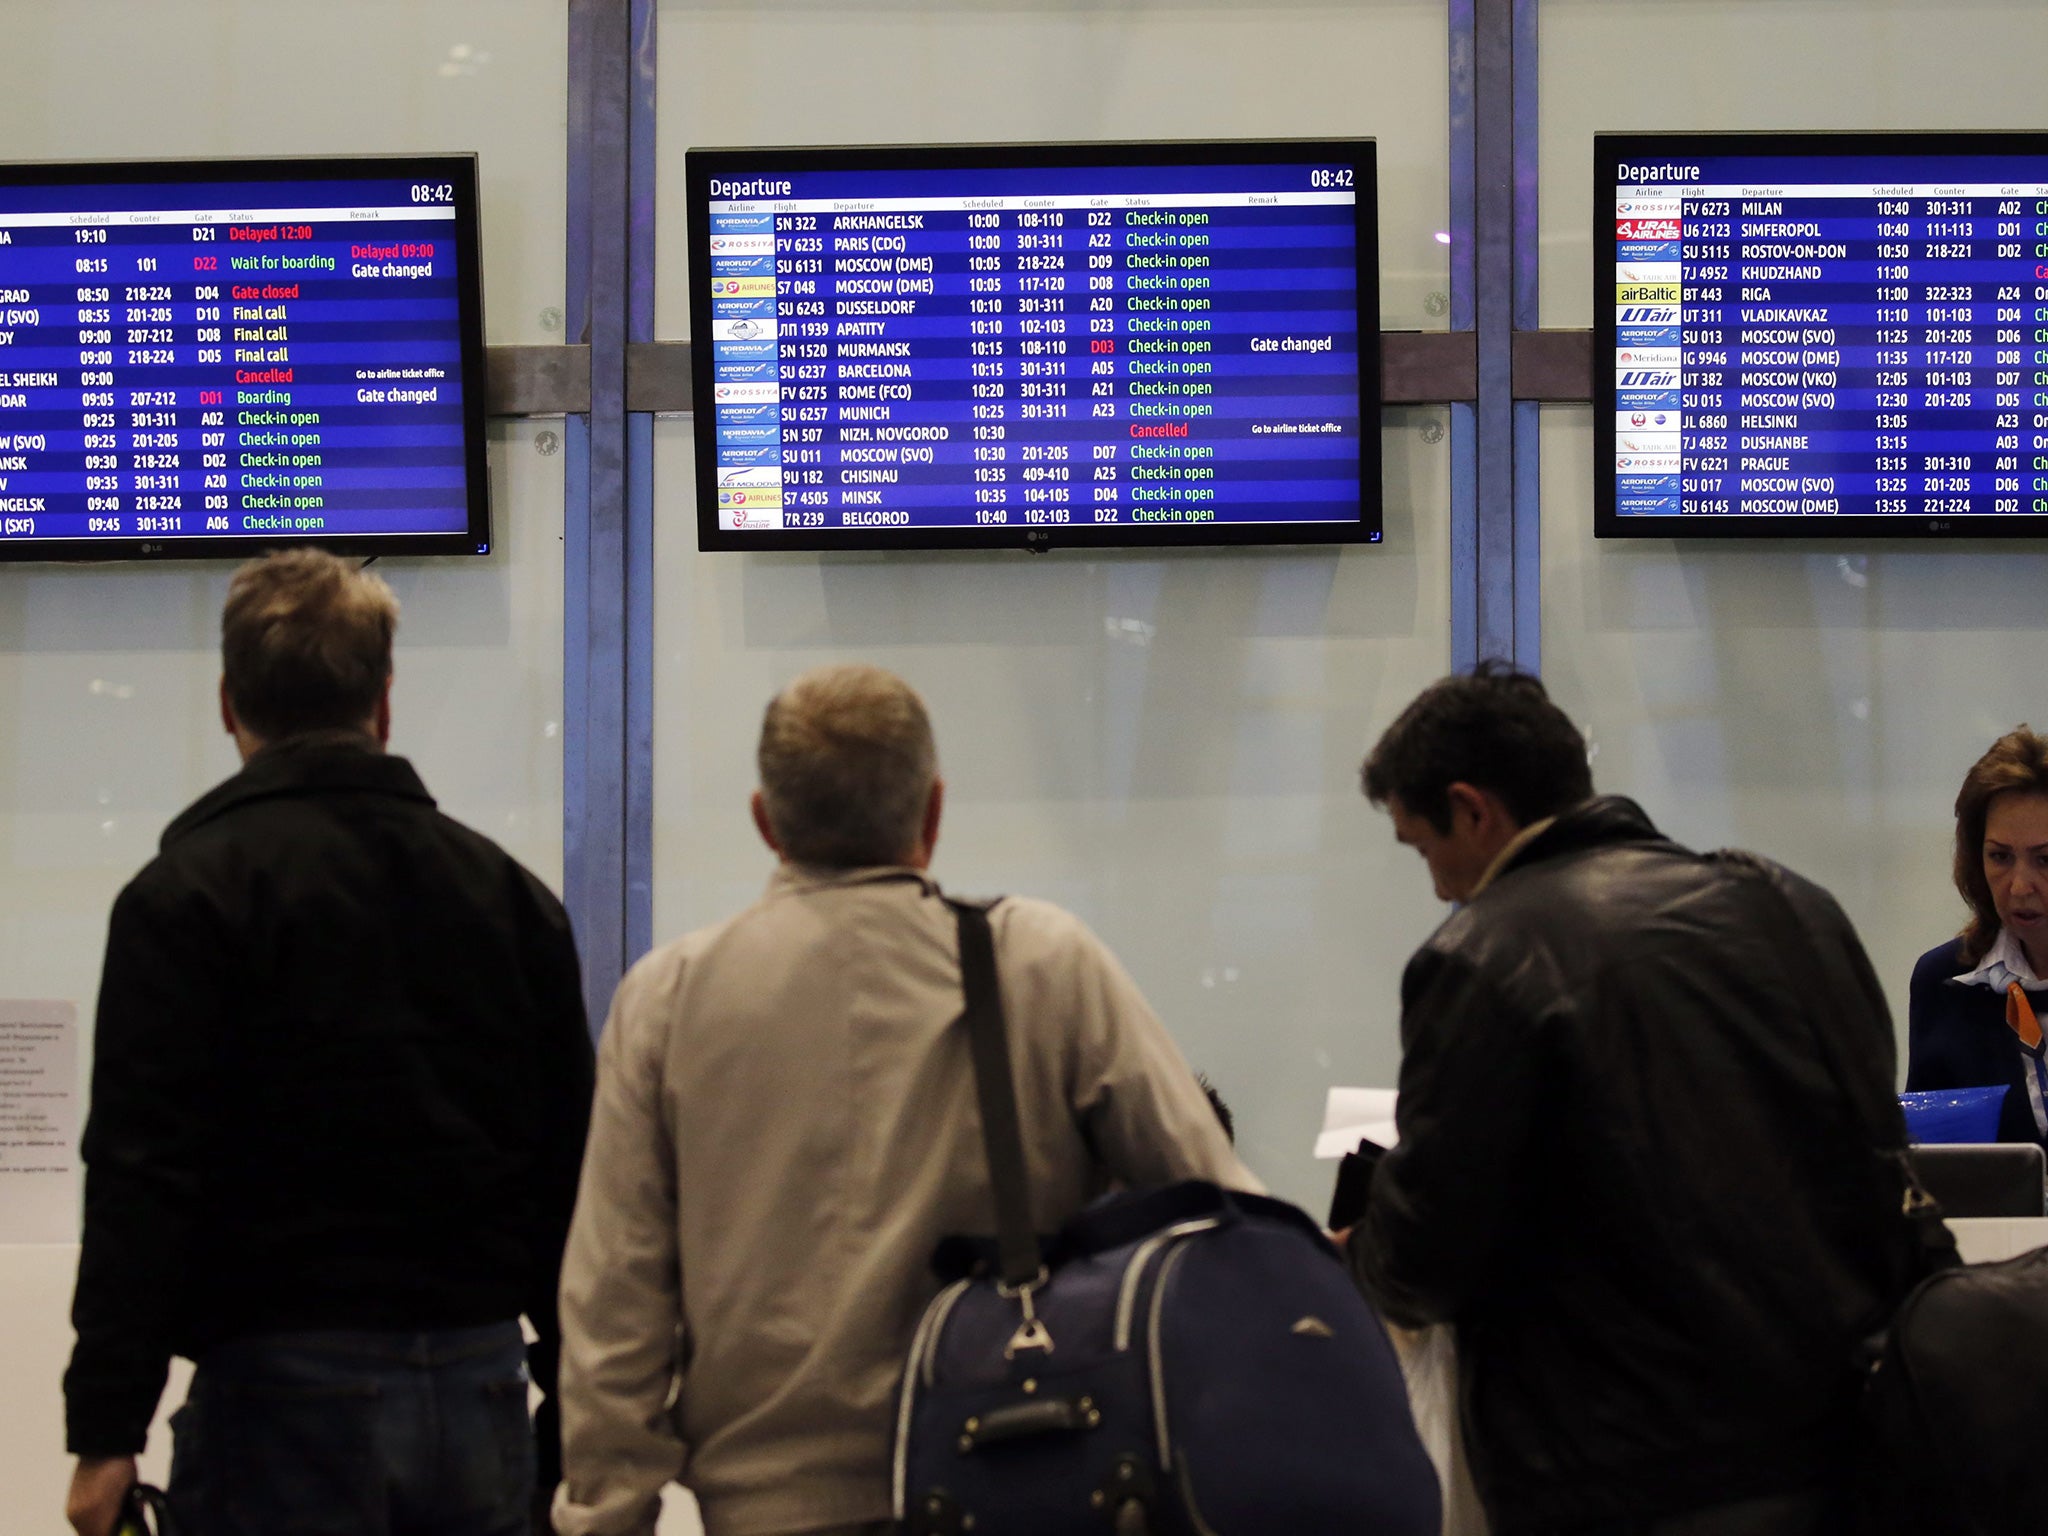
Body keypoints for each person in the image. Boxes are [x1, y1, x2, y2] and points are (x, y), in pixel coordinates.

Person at [552, 664, 1256, 1536]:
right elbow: (1224, 1219)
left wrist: (608, 1515)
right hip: (1018, 1478)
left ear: (766, 822)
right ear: (932, 811)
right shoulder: (1042, 964)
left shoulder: (669, 998)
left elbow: (615, 1300)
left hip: (767, 1509)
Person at [64, 549, 594, 1536]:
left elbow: (142, 1175)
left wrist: (106, 1430)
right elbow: (569, 1177)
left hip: (279, 1401)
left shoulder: (184, 901)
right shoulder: (511, 901)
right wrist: (578, 1411)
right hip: (482, 1395)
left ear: (229, 705)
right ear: (383, 703)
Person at [1344, 663, 1916, 1536]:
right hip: (1855, 1452)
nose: (1438, 888)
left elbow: (1429, 1256)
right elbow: (1871, 1124)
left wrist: (1363, 1246)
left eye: (1425, 849)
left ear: (1472, 809)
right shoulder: (1787, 906)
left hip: (1622, 1477)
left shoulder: (1483, 956)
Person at [1906, 727, 2048, 1147]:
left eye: (2046, 859)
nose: (2020, 887)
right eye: (2000, 857)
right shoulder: (1945, 981)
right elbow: (1934, 1166)